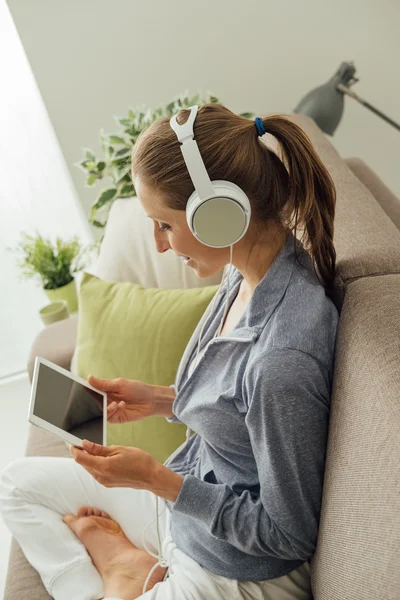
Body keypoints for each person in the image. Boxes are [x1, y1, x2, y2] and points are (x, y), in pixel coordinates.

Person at [0, 103, 339, 600]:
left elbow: (288, 535)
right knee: (17, 483)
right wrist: (160, 399)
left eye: (164, 224)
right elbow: (237, 405)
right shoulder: (245, 274)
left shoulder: (282, 360)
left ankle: (121, 575)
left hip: (237, 569)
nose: (159, 245)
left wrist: (160, 482)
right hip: (188, 516)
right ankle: (127, 568)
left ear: (221, 216)